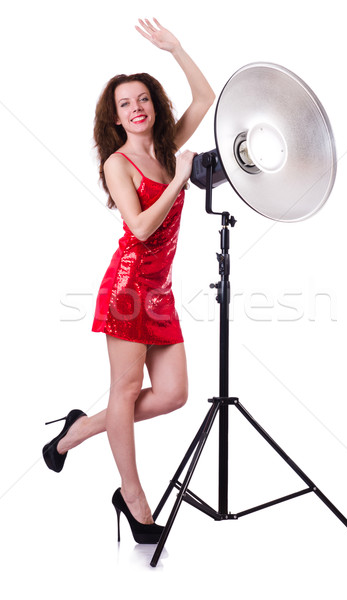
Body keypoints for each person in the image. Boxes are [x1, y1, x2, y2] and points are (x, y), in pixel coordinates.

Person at [42, 18, 215, 544]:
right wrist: (180, 179)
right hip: (127, 289)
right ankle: (133, 497)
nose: (136, 107)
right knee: (124, 390)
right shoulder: (119, 162)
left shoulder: (166, 145)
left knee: (173, 394)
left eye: (143, 99)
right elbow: (139, 226)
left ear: (153, 107)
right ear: (115, 119)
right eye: (125, 103)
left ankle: (75, 432)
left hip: (159, 291)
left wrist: (176, 48)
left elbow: (205, 96)